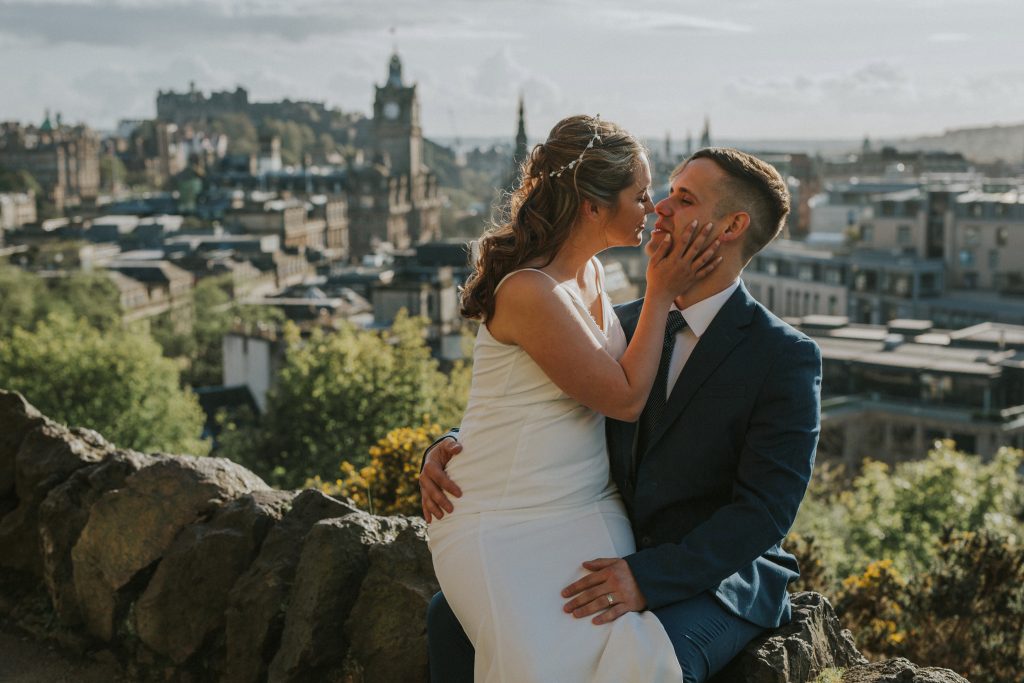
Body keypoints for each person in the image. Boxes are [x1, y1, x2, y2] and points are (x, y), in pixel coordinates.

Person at [421, 146, 823, 683]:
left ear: (732, 226)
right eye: (666, 193)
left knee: (637, 668)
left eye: (684, 199)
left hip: (716, 582)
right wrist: (449, 446)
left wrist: (647, 577)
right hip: (596, 546)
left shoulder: (783, 356)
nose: (659, 208)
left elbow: (765, 512)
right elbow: (538, 405)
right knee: (448, 619)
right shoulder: (623, 324)